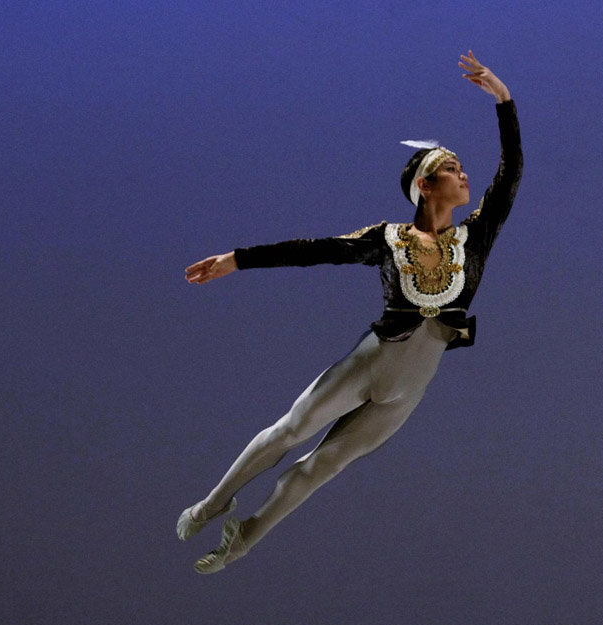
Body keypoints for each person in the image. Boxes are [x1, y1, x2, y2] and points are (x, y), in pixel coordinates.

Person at [178, 49, 523, 574]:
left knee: (322, 467)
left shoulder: (474, 238)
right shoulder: (387, 239)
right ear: (425, 185)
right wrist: (238, 260)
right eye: (451, 168)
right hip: (371, 362)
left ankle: (244, 539)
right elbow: (314, 249)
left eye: (462, 167)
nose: (464, 174)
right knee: (289, 431)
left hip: (408, 392)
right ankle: (215, 501)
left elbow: (511, 172)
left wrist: (503, 100)